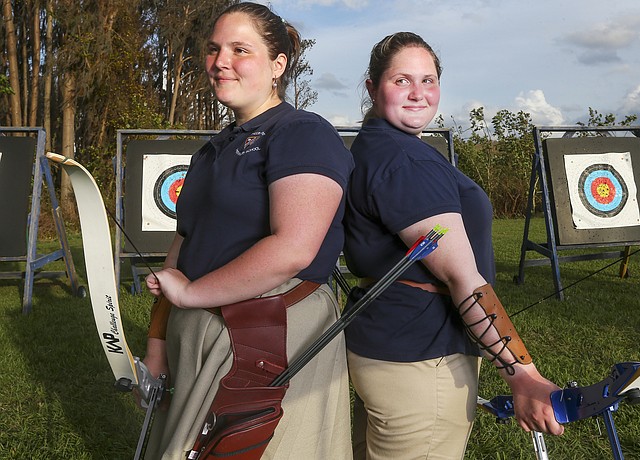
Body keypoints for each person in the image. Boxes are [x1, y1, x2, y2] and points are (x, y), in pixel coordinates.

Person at [141, 3, 353, 459]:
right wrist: (158, 343)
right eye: (214, 49)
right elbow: (184, 243)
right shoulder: (212, 149)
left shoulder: (303, 133)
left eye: (240, 50)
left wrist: (191, 294)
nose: (221, 61)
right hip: (199, 331)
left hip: (270, 333)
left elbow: (293, 248)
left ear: (278, 65)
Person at [342, 32, 565, 460]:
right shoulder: (406, 160)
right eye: (401, 80)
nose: (418, 93)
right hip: (423, 357)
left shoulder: (374, 146)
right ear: (372, 87)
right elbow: (463, 277)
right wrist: (524, 375)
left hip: (386, 344)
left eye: (428, 81)